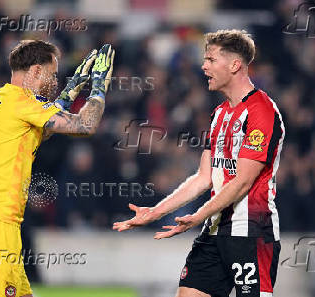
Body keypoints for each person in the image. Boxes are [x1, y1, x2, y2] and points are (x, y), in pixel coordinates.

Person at [113, 29, 285, 297]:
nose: (204, 66)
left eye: (211, 60)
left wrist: (197, 216)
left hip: (250, 233)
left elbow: (241, 183)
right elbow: (203, 177)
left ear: (235, 65)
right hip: (214, 230)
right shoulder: (219, 114)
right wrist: (155, 212)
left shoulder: (262, 111)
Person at [0, 40, 115, 297]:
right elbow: (86, 125)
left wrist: (72, 90)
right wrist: (98, 86)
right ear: (34, 71)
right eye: (52, 74)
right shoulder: (21, 103)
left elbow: (41, 131)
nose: (54, 81)